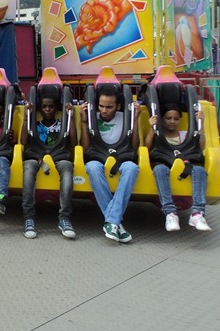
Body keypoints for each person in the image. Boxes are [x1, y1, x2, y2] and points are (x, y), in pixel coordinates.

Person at [81, 91, 141, 243]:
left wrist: (135, 120)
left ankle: (112, 221)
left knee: (132, 168)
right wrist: (84, 122)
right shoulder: (92, 117)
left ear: (118, 106)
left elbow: (134, 147)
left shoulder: (125, 118)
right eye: (101, 106)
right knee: (92, 167)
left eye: (109, 107)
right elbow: (86, 149)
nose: (104, 110)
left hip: (121, 158)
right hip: (98, 158)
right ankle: (115, 222)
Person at [20, 94, 78, 239]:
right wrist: (27, 117)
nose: (47, 109)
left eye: (51, 107)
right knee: (28, 169)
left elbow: (73, 142)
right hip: (37, 157)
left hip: (59, 157)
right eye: (44, 107)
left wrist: (70, 118)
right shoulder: (35, 125)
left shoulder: (62, 124)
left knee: (67, 168)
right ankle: (29, 217)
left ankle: (65, 218)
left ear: (57, 108)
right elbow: (23, 140)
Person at [146, 104, 211, 232]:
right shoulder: (158, 135)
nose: (172, 121)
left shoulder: (185, 135)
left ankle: (197, 213)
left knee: (199, 170)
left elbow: (201, 147)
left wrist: (201, 125)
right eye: (168, 118)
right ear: (162, 120)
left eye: (176, 119)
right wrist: (152, 128)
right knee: (160, 169)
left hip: (184, 167)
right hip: (164, 166)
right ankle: (170, 213)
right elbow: (146, 146)